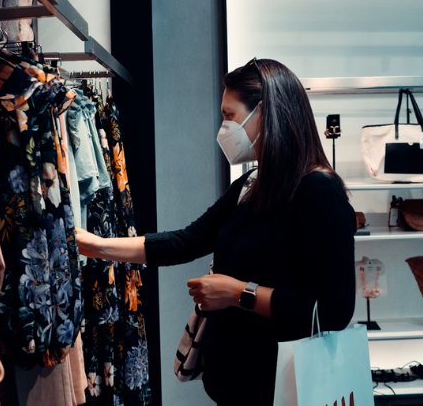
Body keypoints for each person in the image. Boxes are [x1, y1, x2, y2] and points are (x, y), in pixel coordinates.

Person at [75, 58, 356, 405]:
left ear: (265, 113)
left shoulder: (318, 191)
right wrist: (97, 246)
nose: (223, 127)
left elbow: (334, 310)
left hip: (286, 389)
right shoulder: (252, 185)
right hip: (235, 384)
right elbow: (186, 240)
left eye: (230, 115)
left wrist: (239, 293)